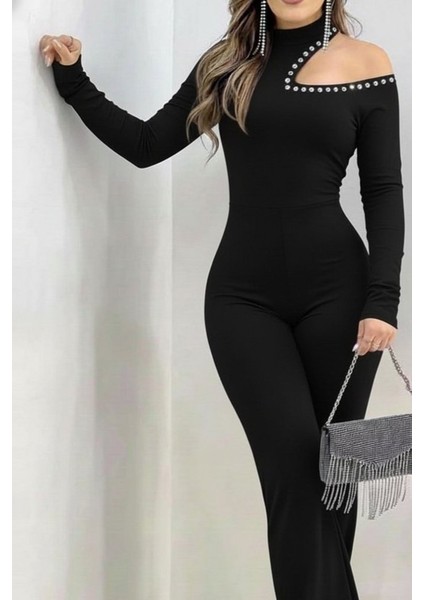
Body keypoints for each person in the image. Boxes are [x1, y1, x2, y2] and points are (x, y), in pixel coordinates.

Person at [39, 1, 405, 598]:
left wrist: (382, 301)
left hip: (343, 298)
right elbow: (146, 144)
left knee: (337, 477)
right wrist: (75, 81)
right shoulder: (228, 63)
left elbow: (383, 190)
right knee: (294, 470)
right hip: (242, 300)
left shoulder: (368, 62)